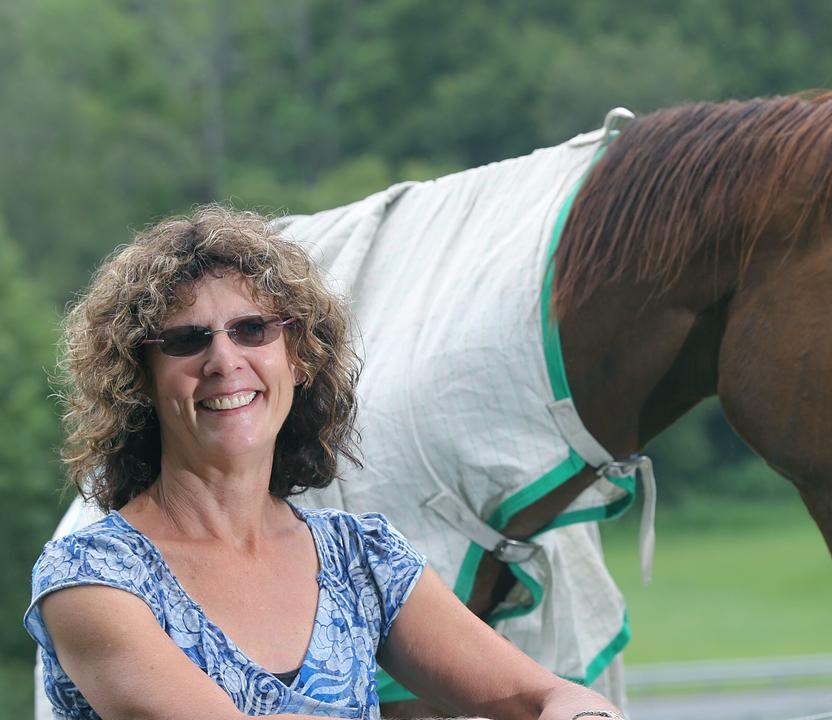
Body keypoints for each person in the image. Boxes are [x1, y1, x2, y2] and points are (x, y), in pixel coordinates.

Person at [24, 206, 626, 720]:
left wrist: (583, 712)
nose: (224, 360)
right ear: (140, 381)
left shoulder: (359, 558)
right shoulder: (92, 577)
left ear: (299, 359)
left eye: (253, 329)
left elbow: (538, 695)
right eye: (187, 340)